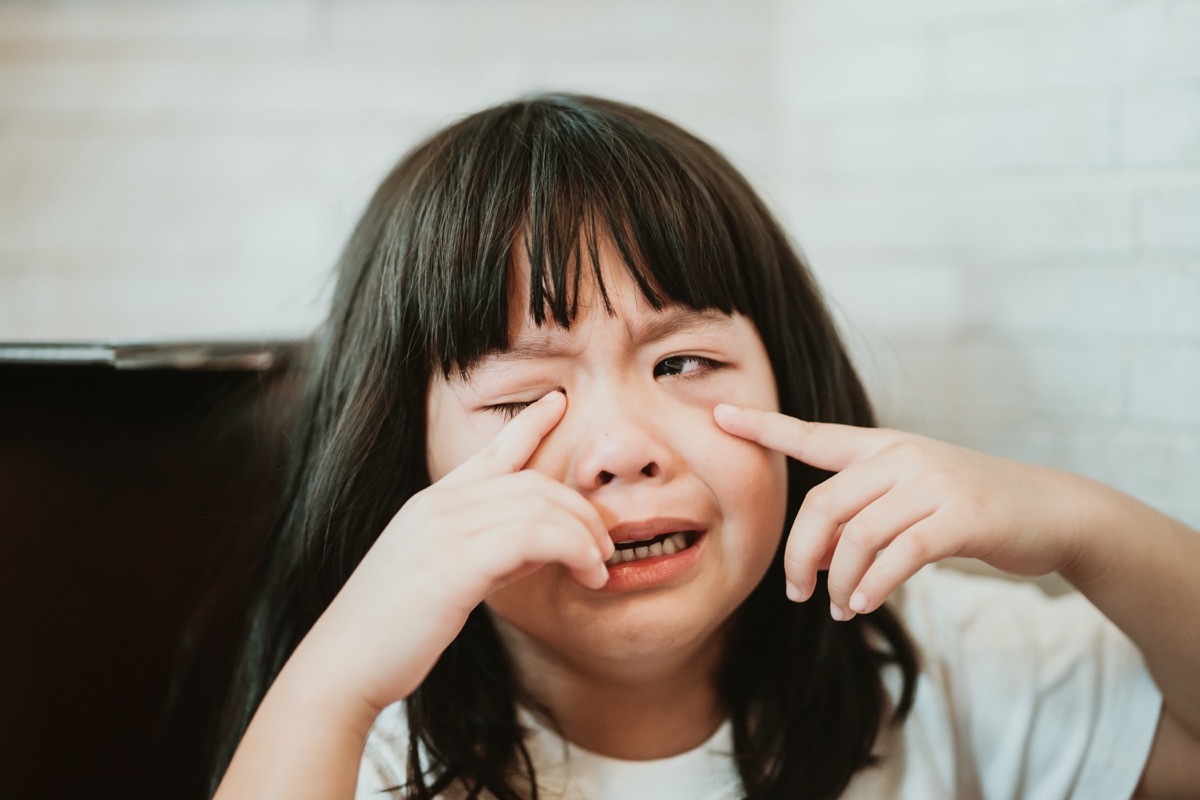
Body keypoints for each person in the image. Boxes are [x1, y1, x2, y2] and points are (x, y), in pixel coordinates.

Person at [210, 94, 1200, 799]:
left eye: (683, 362)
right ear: (404, 460)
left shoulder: (935, 662)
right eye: (525, 398)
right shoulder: (366, 747)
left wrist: (1082, 525)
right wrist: (336, 671)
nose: (622, 447)